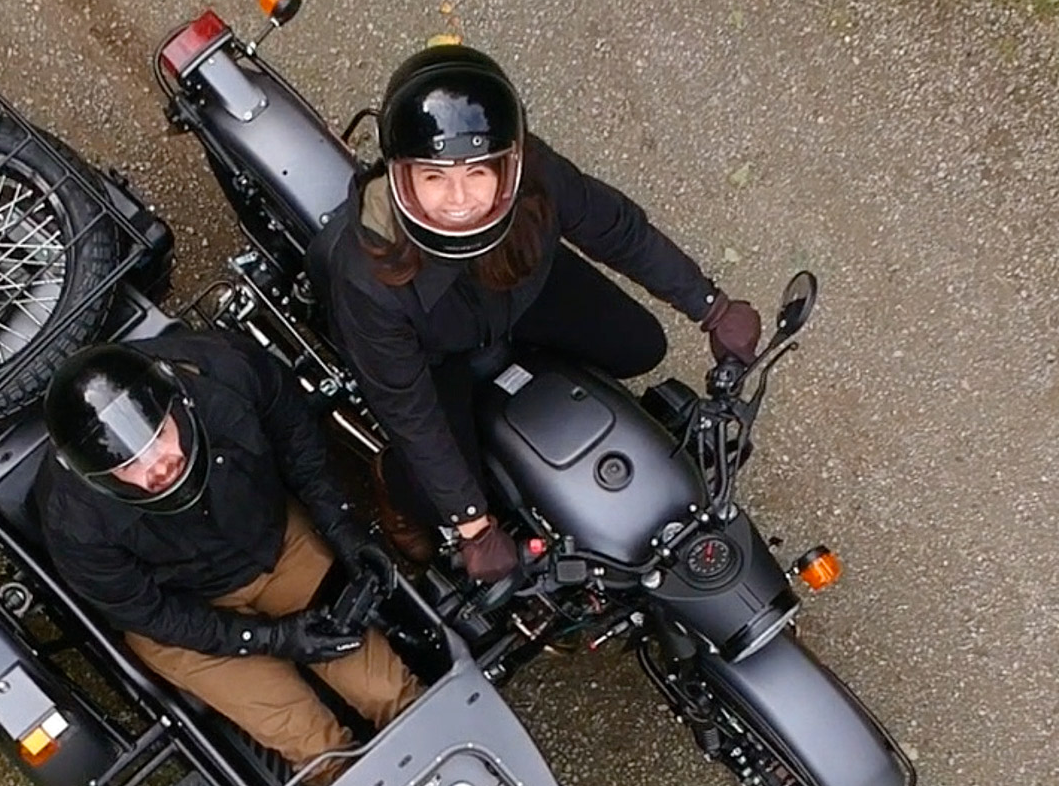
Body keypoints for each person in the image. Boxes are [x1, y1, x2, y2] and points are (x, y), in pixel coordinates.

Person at [308, 44, 763, 580]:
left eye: (478, 172)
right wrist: (472, 523)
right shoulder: (367, 275)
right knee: (431, 499)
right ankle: (392, 481)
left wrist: (709, 305)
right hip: (434, 358)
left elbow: (614, 227)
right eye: (434, 177)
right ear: (401, 176)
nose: (459, 200)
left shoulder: (534, 175)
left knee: (641, 344)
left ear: (508, 164)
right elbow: (408, 409)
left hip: (522, 293)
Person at [33, 332, 421, 783]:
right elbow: (150, 614)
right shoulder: (73, 521)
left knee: (389, 690)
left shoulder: (229, 371)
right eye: (128, 464)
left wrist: (342, 529)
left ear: (174, 402)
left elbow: (300, 446)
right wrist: (271, 639)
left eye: (158, 436)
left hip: (277, 543)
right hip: (188, 614)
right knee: (317, 749)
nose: (157, 465)